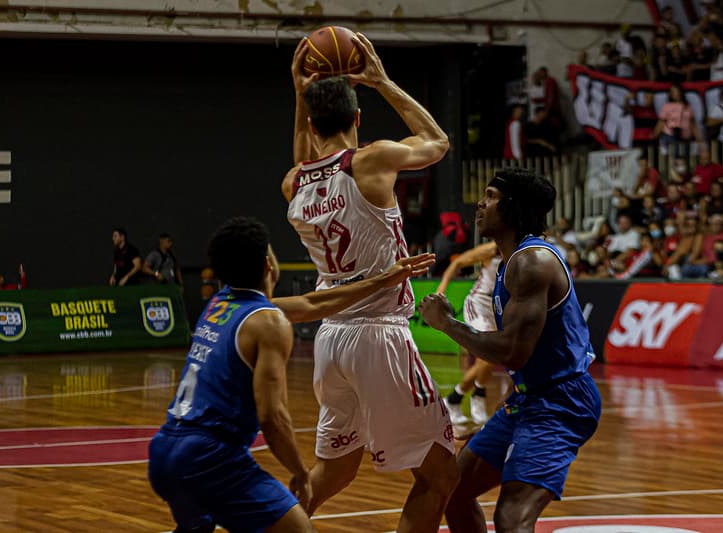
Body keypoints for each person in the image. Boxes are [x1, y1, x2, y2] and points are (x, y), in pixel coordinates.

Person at [148, 216, 436, 533]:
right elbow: (272, 415)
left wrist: (382, 280)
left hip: (165, 453)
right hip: (210, 457)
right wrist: (299, 471)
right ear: (268, 264)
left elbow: (311, 303)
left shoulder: (219, 306)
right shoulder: (269, 324)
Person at [282, 35, 457, 532]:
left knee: (334, 470)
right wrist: (381, 82)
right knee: (440, 477)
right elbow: (438, 142)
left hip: (330, 340)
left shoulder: (294, 184)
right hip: (380, 336)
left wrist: (299, 94)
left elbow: (302, 157)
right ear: (357, 119)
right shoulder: (374, 160)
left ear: (311, 124)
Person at [419, 167, 601, 533]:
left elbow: (512, 352)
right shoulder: (511, 259)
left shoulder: (533, 262)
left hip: (561, 402)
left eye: (490, 196)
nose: (480, 204)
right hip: (529, 397)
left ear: (514, 208)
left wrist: (447, 324)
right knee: (452, 489)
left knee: (512, 517)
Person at [435, 241, 500, 427]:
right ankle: (475, 395)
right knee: (488, 354)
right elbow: (457, 263)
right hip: (478, 303)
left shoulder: (519, 251)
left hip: (497, 307)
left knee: (490, 358)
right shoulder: (490, 250)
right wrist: (442, 288)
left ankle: (456, 398)